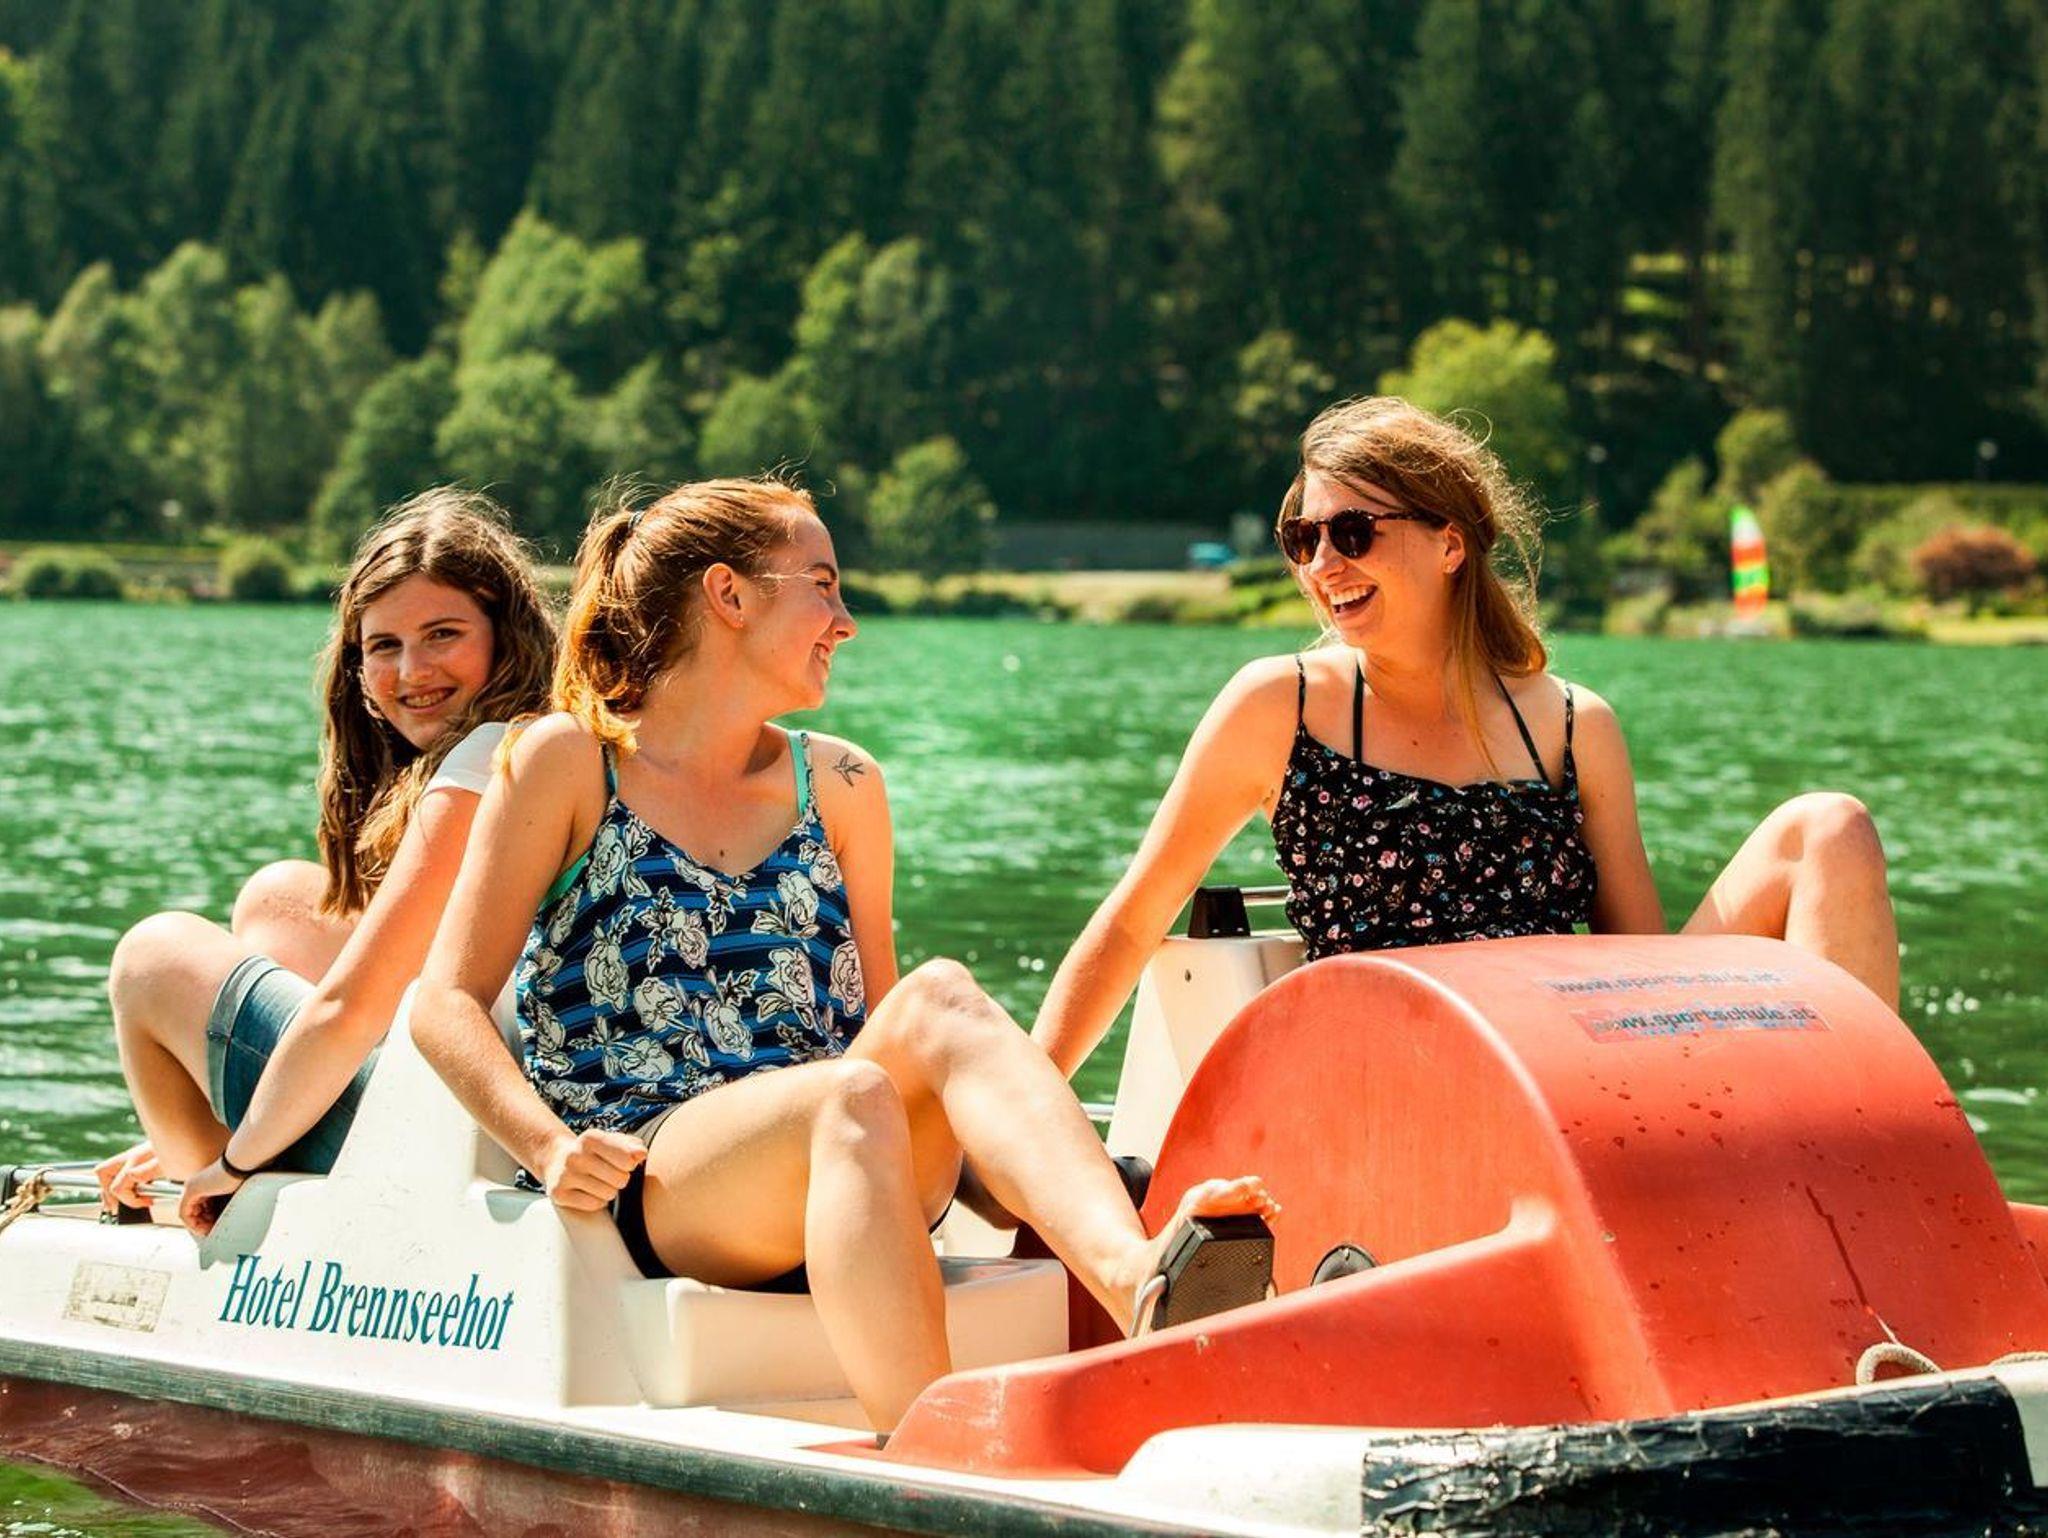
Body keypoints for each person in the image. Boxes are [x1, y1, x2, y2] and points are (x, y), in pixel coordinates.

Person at [411, 477, 1274, 1431]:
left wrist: (1005, 1168)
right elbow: (444, 1001)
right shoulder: (569, 760)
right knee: (847, 1098)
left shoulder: (844, 781)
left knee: (939, 996)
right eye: (821, 585)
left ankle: (1137, 1278)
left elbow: (888, 1031)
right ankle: (933, 1456)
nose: (845, 620)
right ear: (729, 595)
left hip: (849, 1146)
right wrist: (548, 1146)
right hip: (659, 1177)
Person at [1033, 396, 1899, 1078]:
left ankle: (1870, 1163)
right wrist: (1021, 1133)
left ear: (1449, 545)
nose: (1322, 564)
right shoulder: (1280, 706)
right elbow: (1132, 923)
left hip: (1568, 1072)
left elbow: (1641, 968)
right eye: (1303, 538)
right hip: (1391, 1077)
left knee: (1829, 829)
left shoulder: (1574, 727)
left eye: (1352, 532)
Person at [98, 490, 557, 1230]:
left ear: (507, 637)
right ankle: (216, 1142)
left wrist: (237, 1157)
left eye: (443, 634)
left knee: (152, 957)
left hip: (468, 1139)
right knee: (281, 899)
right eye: (384, 646)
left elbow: (352, 1009)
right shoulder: (548, 739)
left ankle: (209, 1198)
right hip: (473, 1099)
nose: (413, 670)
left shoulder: (492, 755)